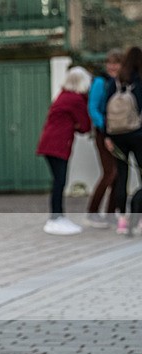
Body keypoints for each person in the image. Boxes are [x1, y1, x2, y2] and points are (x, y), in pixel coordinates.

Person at [36, 67, 92, 236]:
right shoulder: (76, 99)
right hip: (59, 145)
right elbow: (85, 126)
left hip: (49, 143)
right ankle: (56, 217)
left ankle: (57, 216)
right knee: (59, 182)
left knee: (58, 181)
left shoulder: (63, 95)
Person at [105, 46, 142, 235]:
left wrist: (107, 136)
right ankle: (140, 219)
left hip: (117, 134)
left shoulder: (116, 81)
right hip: (137, 134)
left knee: (122, 176)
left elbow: (105, 107)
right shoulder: (139, 80)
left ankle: (121, 220)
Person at [85, 49, 123, 229]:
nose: (112, 66)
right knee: (110, 173)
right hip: (103, 132)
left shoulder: (123, 82)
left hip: (119, 132)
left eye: (116, 63)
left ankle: (110, 213)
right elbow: (93, 108)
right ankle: (92, 212)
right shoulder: (101, 82)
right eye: (110, 63)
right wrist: (104, 128)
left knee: (118, 175)